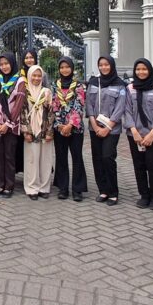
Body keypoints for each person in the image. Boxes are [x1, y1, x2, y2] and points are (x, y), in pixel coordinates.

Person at [124, 58, 153, 211]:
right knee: (139, 165)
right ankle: (144, 195)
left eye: (144, 69)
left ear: (149, 71)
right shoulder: (130, 89)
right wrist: (134, 131)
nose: (141, 72)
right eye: (138, 69)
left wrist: (152, 133)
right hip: (135, 134)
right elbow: (127, 110)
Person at [87, 55, 126, 206]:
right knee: (97, 158)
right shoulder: (93, 82)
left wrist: (108, 127)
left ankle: (113, 192)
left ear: (112, 66)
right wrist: (95, 126)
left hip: (112, 129)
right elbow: (89, 105)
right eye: (101, 65)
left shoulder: (119, 84)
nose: (103, 67)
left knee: (107, 157)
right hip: (94, 127)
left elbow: (120, 107)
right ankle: (103, 190)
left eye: (106, 65)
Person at [0, 53, 26, 198]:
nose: (4, 67)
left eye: (6, 63)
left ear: (12, 64)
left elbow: (18, 105)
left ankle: (9, 186)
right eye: (1, 64)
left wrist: (7, 124)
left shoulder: (20, 81)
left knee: (9, 156)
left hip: (11, 126)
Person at [51, 56, 87, 202]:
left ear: (72, 68)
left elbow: (79, 106)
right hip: (59, 128)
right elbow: (54, 106)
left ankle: (77, 189)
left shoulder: (79, 86)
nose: (64, 70)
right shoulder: (55, 85)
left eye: (67, 67)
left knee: (77, 157)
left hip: (75, 129)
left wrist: (70, 125)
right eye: (62, 67)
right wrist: (60, 125)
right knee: (61, 158)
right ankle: (63, 188)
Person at [21, 65, 55, 200]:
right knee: (31, 160)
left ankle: (44, 188)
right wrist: (26, 131)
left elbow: (51, 113)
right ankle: (32, 188)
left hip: (44, 130)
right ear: (29, 76)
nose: (36, 78)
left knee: (46, 160)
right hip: (31, 131)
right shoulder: (25, 91)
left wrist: (49, 132)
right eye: (34, 75)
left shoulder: (47, 92)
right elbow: (22, 113)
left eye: (39, 75)